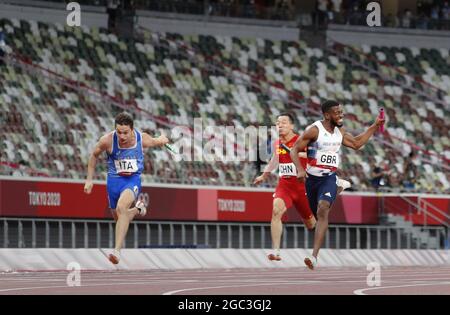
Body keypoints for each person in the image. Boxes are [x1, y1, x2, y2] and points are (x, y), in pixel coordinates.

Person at [290, 100, 384, 270]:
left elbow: (356, 144)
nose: (341, 115)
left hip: (328, 177)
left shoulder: (339, 131)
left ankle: (314, 257)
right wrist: (300, 170)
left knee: (323, 208)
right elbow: (294, 150)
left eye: (341, 112)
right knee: (316, 218)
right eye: (337, 113)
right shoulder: (314, 130)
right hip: (312, 181)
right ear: (327, 115)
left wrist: (375, 126)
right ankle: (339, 187)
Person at [254, 112, 351, 261]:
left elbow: (315, 155)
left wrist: (295, 153)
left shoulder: (302, 140)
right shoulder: (277, 143)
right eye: (278, 123)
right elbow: (275, 159)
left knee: (311, 224)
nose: (280, 125)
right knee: (276, 211)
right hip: (285, 185)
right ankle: (276, 251)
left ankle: (336, 187)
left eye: (284, 122)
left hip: (303, 187)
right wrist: (264, 175)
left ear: (292, 125)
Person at [84, 112, 169, 264]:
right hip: (113, 182)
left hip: (132, 180)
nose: (122, 136)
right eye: (119, 132)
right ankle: (138, 209)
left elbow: (156, 141)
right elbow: (93, 155)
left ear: (132, 130)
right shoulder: (107, 140)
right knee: (120, 217)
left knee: (121, 208)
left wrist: (162, 139)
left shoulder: (141, 138)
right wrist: (89, 180)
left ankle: (116, 251)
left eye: (125, 133)